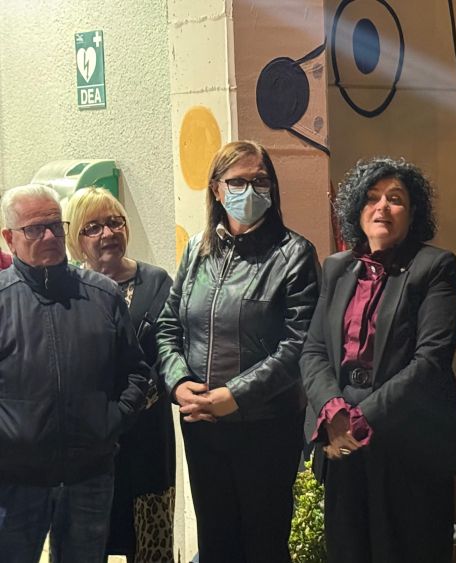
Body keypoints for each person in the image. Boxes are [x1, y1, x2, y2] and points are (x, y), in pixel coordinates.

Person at [157, 141, 320, 563]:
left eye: (260, 180)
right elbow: (169, 325)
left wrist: (235, 395)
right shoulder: (197, 250)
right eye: (237, 182)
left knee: (264, 546)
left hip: (265, 427)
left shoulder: (294, 254)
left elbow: (298, 344)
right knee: (216, 543)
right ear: (216, 189)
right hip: (201, 425)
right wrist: (178, 383)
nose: (250, 190)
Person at [300, 157, 456, 563]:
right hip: (343, 445)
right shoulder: (337, 268)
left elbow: (430, 362)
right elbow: (314, 350)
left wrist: (358, 421)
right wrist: (332, 412)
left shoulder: (435, 267)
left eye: (396, 199)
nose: (382, 207)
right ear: (357, 209)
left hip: (408, 449)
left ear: (413, 212)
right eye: (372, 198)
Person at [0, 184, 150, 563]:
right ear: (9, 238)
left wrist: (111, 423)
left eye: (55, 225)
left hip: (89, 478)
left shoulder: (103, 295)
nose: (50, 237)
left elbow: (135, 372)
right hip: (15, 484)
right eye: (35, 229)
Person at [65, 187, 175, 563]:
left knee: (150, 546)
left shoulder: (156, 282)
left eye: (115, 222)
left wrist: (129, 405)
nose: (108, 233)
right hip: (89, 442)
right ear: (75, 238)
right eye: (93, 227)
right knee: (87, 544)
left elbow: (169, 352)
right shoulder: (68, 289)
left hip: (147, 435)